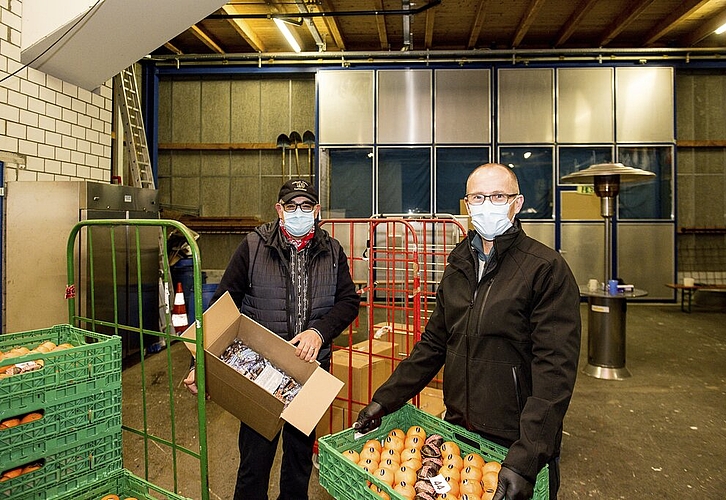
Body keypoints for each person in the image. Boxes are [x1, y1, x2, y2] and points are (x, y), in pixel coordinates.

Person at [354, 163, 581, 500]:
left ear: (516, 203)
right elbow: (433, 344)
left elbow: (555, 372)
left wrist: (526, 457)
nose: (487, 204)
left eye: (498, 196)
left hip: (514, 437)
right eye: (478, 197)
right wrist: (385, 400)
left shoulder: (544, 269)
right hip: (459, 430)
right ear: (467, 204)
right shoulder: (459, 264)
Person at [184, 178, 360, 500]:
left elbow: (348, 301)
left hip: (309, 371)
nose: (298, 212)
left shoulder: (331, 250)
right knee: (254, 462)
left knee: (298, 462)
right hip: (260, 373)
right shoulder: (253, 246)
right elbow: (222, 305)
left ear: (317, 210)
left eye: (306, 206)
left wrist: (319, 332)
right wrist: (199, 361)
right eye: (291, 206)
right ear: (279, 210)